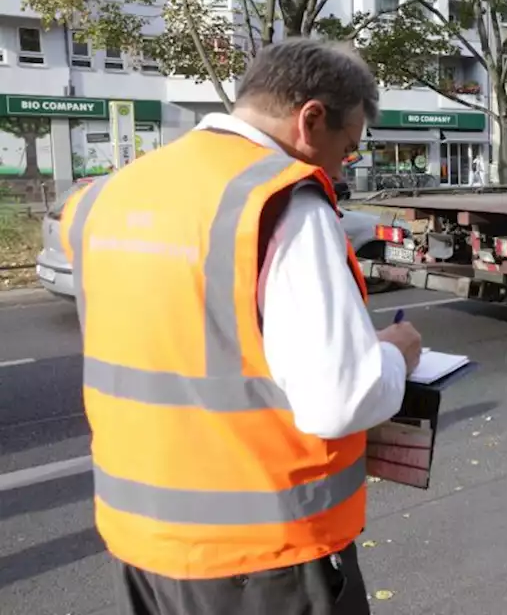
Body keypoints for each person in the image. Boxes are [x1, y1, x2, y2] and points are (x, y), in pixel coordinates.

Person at [58, 38, 423, 615]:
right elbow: (339, 400)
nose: (341, 166)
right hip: (262, 559)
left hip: (141, 543)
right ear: (311, 119)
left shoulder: (107, 196)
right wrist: (396, 354)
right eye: (347, 148)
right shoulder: (282, 205)